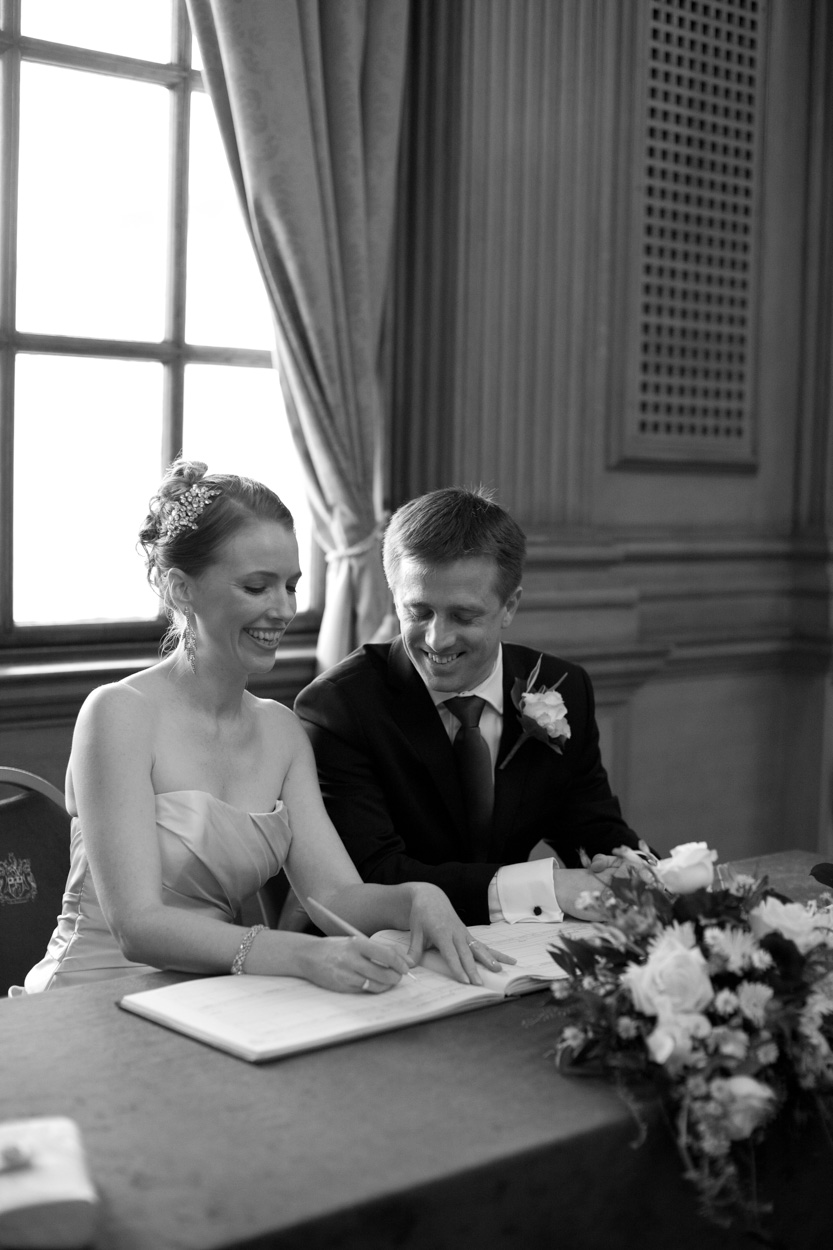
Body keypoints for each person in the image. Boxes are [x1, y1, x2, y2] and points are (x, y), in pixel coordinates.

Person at [15, 463, 508, 995]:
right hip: (92, 997)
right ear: (181, 590)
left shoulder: (281, 729)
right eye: (257, 586)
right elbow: (138, 928)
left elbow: (336, 894)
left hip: (214, 998)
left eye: (291, 586)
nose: (283, 609)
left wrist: (415, 897)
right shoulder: (117, 713)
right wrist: (301, 954)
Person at [294, 486, 643, 928]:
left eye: (463, 616)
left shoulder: (563, 688)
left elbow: (597, 831)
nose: (437, 639)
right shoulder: (339, 708)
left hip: (512, 952)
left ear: (509, 606)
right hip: (376, 955)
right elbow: (375, 877)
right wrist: (547, 888)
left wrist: (636, 870)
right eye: (418, 612)